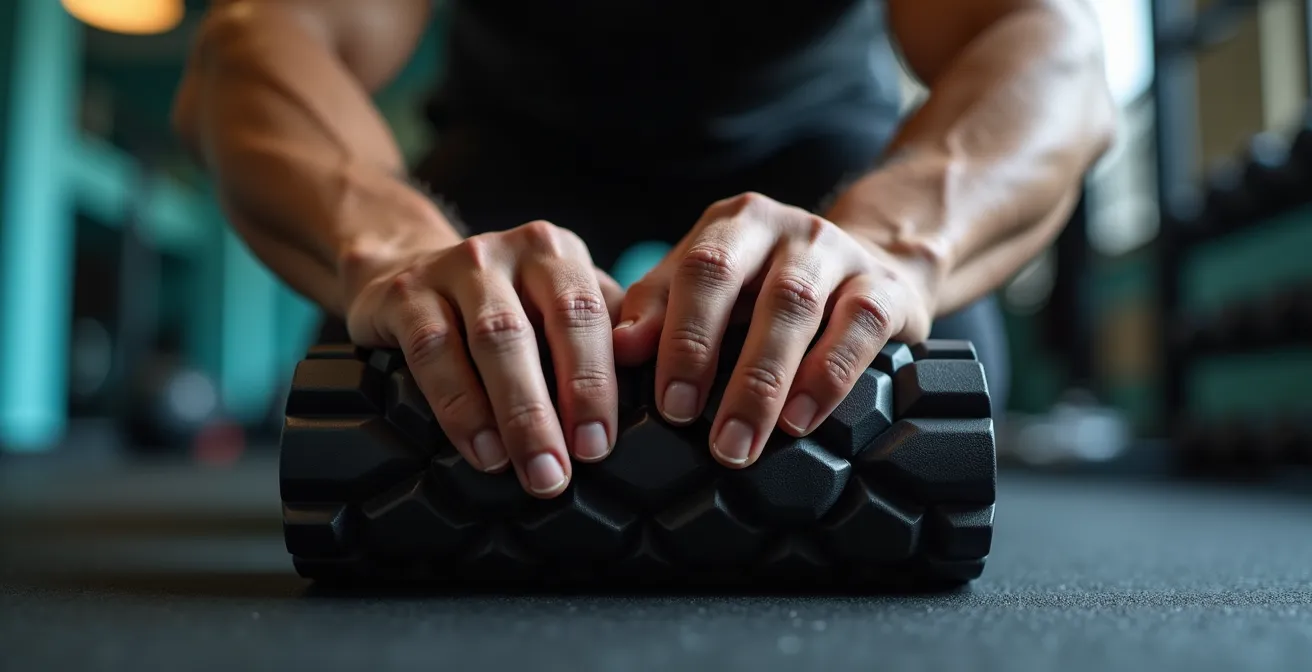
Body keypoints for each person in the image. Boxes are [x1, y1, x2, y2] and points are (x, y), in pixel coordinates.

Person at [174, 0, 1115, 499]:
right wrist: (390, 250)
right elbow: (258, 40)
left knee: (916, 393)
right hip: (518, 142)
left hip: (810, 143)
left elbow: (1050, 40)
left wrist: (895, 249)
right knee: (397, 374)